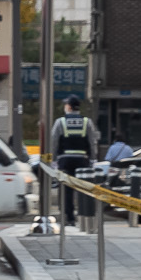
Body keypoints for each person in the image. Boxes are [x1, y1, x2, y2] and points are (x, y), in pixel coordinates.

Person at [47, 93, 94, 226]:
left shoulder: (60, 122)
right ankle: (84, 216)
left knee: (67, 190)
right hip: (82, 161)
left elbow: (53, 142)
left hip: (65, 160)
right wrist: (93, 160)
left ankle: (69, 218)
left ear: (69, 107)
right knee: (82, 188)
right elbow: (92, 142)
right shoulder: (87, 122)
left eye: (65, 105)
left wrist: (53, 160)